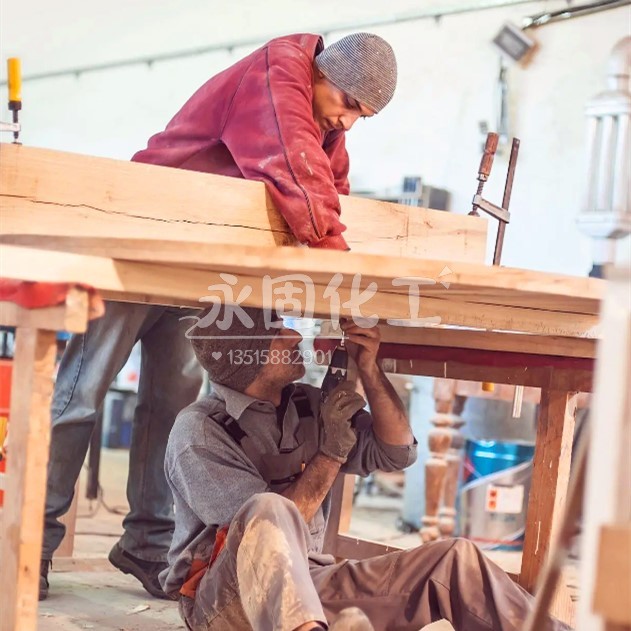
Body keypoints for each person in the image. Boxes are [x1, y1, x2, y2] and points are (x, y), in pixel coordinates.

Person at [40, 31, 399, 600]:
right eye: (350, 105)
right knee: (82, 394)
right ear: (323, 74)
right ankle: (28, 547)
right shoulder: (278, 78)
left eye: (364, 117)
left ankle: (149, 545)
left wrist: (330, 285)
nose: (350, 122)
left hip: (197, 265)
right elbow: (301, 182)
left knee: (169, 405)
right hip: (138, 242)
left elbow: (334, 190)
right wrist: (337, 285)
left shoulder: (322, 121)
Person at [161, 305, 572, 631]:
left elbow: (397, 453)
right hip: (228, 602)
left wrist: (369, 369)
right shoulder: (199, 432)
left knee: (454, 560)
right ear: (246, 358)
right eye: (277, 330)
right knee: (268, 510)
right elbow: (268, 538)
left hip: (314, 581)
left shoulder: (302, 403)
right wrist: (331, 453)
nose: (293, 335)